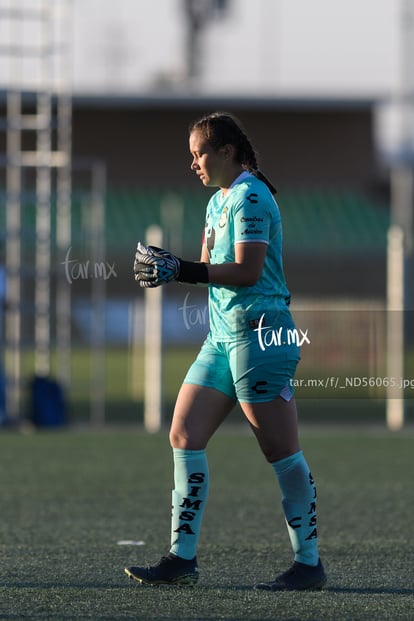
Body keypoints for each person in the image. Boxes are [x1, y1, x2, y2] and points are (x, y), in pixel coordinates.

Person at [125, 111, 326, 591]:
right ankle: (182, 558)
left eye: (200, 153)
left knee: (280, 451)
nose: (193, 163)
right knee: (183, 434)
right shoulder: (218, 201)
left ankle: (309, 564)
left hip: (261, 336)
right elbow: (214, 269)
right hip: (221, 338)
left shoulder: (250, 194)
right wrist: (179, 269)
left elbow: (247, 271)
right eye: (191, 155)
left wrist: (181, 270)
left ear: (227, 152)